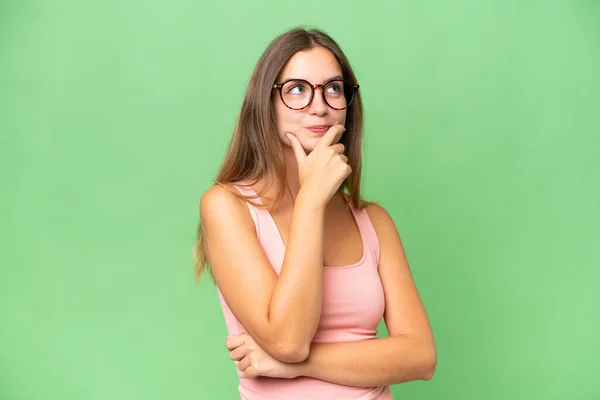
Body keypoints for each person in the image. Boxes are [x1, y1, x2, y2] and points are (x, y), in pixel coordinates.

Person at [195, 27, 436, 400]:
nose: (319, 105)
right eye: (296, 89)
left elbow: (421, 358)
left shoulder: (374, 221)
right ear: (265, 102)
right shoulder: (226, 206)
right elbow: (288, 339)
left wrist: (295, 365)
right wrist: (311, 201)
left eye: (333, 88)